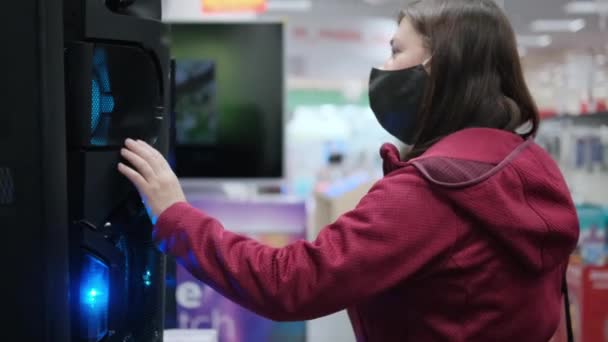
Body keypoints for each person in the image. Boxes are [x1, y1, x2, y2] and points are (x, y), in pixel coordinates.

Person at [118, 0, 579, 340]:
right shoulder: (528, 164)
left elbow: (290, 283)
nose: (385, 68)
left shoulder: (432, 191)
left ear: (437, 67)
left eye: (397, 51)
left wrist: (175, 216)